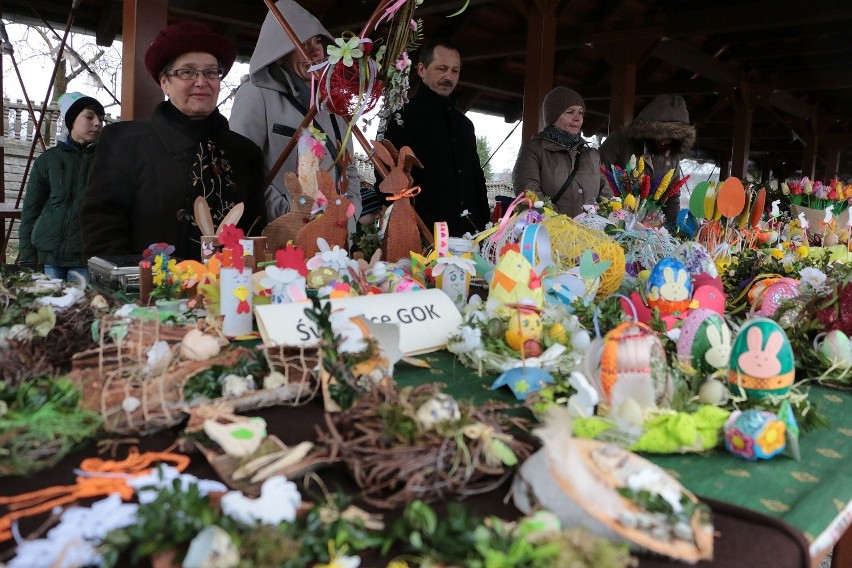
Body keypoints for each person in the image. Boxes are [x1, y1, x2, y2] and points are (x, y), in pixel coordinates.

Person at [81, 22, 266, 262]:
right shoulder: (125, 143)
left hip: (228, 293)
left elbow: (255, 230)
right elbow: (102, 232)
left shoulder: (245, 153)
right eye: (187, 72)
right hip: (148, 294)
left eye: (211, 72)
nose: (201, 81)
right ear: (164, 82)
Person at [229, 0, 361, 226]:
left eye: (317, 41)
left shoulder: (332, 103)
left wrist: (350, 217)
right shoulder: (256, 96)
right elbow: (241, 168)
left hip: (337, 236)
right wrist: (292, 215)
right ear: (279, 54)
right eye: (302, 43)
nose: (316, 51)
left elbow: (349, 169)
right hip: (281, 236)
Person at [383, 39, 490, 236]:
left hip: (469, 234)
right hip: (421, 233)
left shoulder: (464, 126)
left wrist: (484, 224)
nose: (448, 76)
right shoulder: (402, 118)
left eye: (455, 71)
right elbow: (387, 178)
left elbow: (476, 180)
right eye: (442, 68)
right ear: (422, 70)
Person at [18, 92, 105, 280]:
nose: (97, 123)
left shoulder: (107, 162)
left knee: (80, 308)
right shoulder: (49, 160)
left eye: (101, 119)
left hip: (86, 258)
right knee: (46, 307)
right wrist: (27, 257)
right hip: (48, 255)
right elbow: (31, 209)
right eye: (89, 117)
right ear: (72, 120)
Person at [599, 93, 696, 225]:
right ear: (648, 130)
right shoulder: (620, 142)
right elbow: (599, 174)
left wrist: (674, 228)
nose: (665, 140)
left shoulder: (672, 156)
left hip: (648, 228)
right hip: (611, 219)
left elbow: (672, 197)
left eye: (673, 137)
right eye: (660, 135)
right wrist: (614, 209)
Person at [512, 87, 610, 217]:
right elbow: (529, 192)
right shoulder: (533, 150)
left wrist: (599, 219)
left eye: (580, 113)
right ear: (553, 118)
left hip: (591, 233)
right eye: (570, 112)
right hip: (551, 233)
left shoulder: (592, 155)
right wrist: (560, 223)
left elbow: (607, 194)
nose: (578, 118)